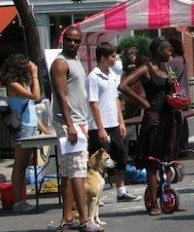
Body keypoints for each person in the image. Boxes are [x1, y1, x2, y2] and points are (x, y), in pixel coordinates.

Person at [118, 38, 183, 215]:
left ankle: (166, 198)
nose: (171, 52)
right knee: (153, 162)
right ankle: (153, 203)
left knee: (168, 160)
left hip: (169, 118)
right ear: (158, 50)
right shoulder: (146, 69)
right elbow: (123, 86)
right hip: (153, 118)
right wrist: (142, 102)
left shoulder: (167, 69)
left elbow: (172, 89)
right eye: (168, 49)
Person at [50, 26, 101, 232]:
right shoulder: (60, 63)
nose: (72, 43)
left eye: (76, 41)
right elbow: (61, 96)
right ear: (63, 40)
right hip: (68, 123)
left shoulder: (76, 61)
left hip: (78, 121)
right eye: (69, 40)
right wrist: (70, 124)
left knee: (69, 172)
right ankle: (85, 221)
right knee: (79, 172)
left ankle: (67, 218)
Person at [86, 42, 137, 203]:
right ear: (103, 57)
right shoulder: (93, 77)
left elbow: (116, 99)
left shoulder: (112, 75)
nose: (115, 59)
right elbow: (93, 103)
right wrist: (100, 129)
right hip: (99, 127)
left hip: (114, 124)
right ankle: (95, 194)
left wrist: (121, 122)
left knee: (120, 157)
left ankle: (121, 191)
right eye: (112, 56)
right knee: (99, 163)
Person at [0, 53, 47, 213]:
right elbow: (37, 96)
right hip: (24, 129)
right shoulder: (13, 84)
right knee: (19, 166)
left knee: (25, 165)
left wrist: (42, 127)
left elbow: (30, 107)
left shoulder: (22, 84)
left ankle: (21, 199)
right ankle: (18, 201)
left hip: (30, 125)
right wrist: (35, 75)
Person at [166, 36, 190, 155]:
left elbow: (168, 77)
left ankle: (178, 147)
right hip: (184, 95)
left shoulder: (173, 62)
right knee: (183, 121)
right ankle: (183, 146)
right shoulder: (183, 60)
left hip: (176, 97)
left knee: (177, 122)